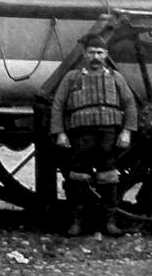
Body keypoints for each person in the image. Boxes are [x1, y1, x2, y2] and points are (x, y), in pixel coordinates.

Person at [49, 33, 139, 237]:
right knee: (78, 176)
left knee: (108, 176)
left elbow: (130, 104)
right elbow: (58, 105)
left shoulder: (116, 78)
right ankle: (77, 222)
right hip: (80, 135)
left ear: (106, 55)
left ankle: (109, 222)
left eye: (100, 52)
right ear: (84, 54)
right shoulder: (72, 77)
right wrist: (60, 133)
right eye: (91, 53)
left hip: (108, 134)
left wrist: (126, 131)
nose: (96, 57)